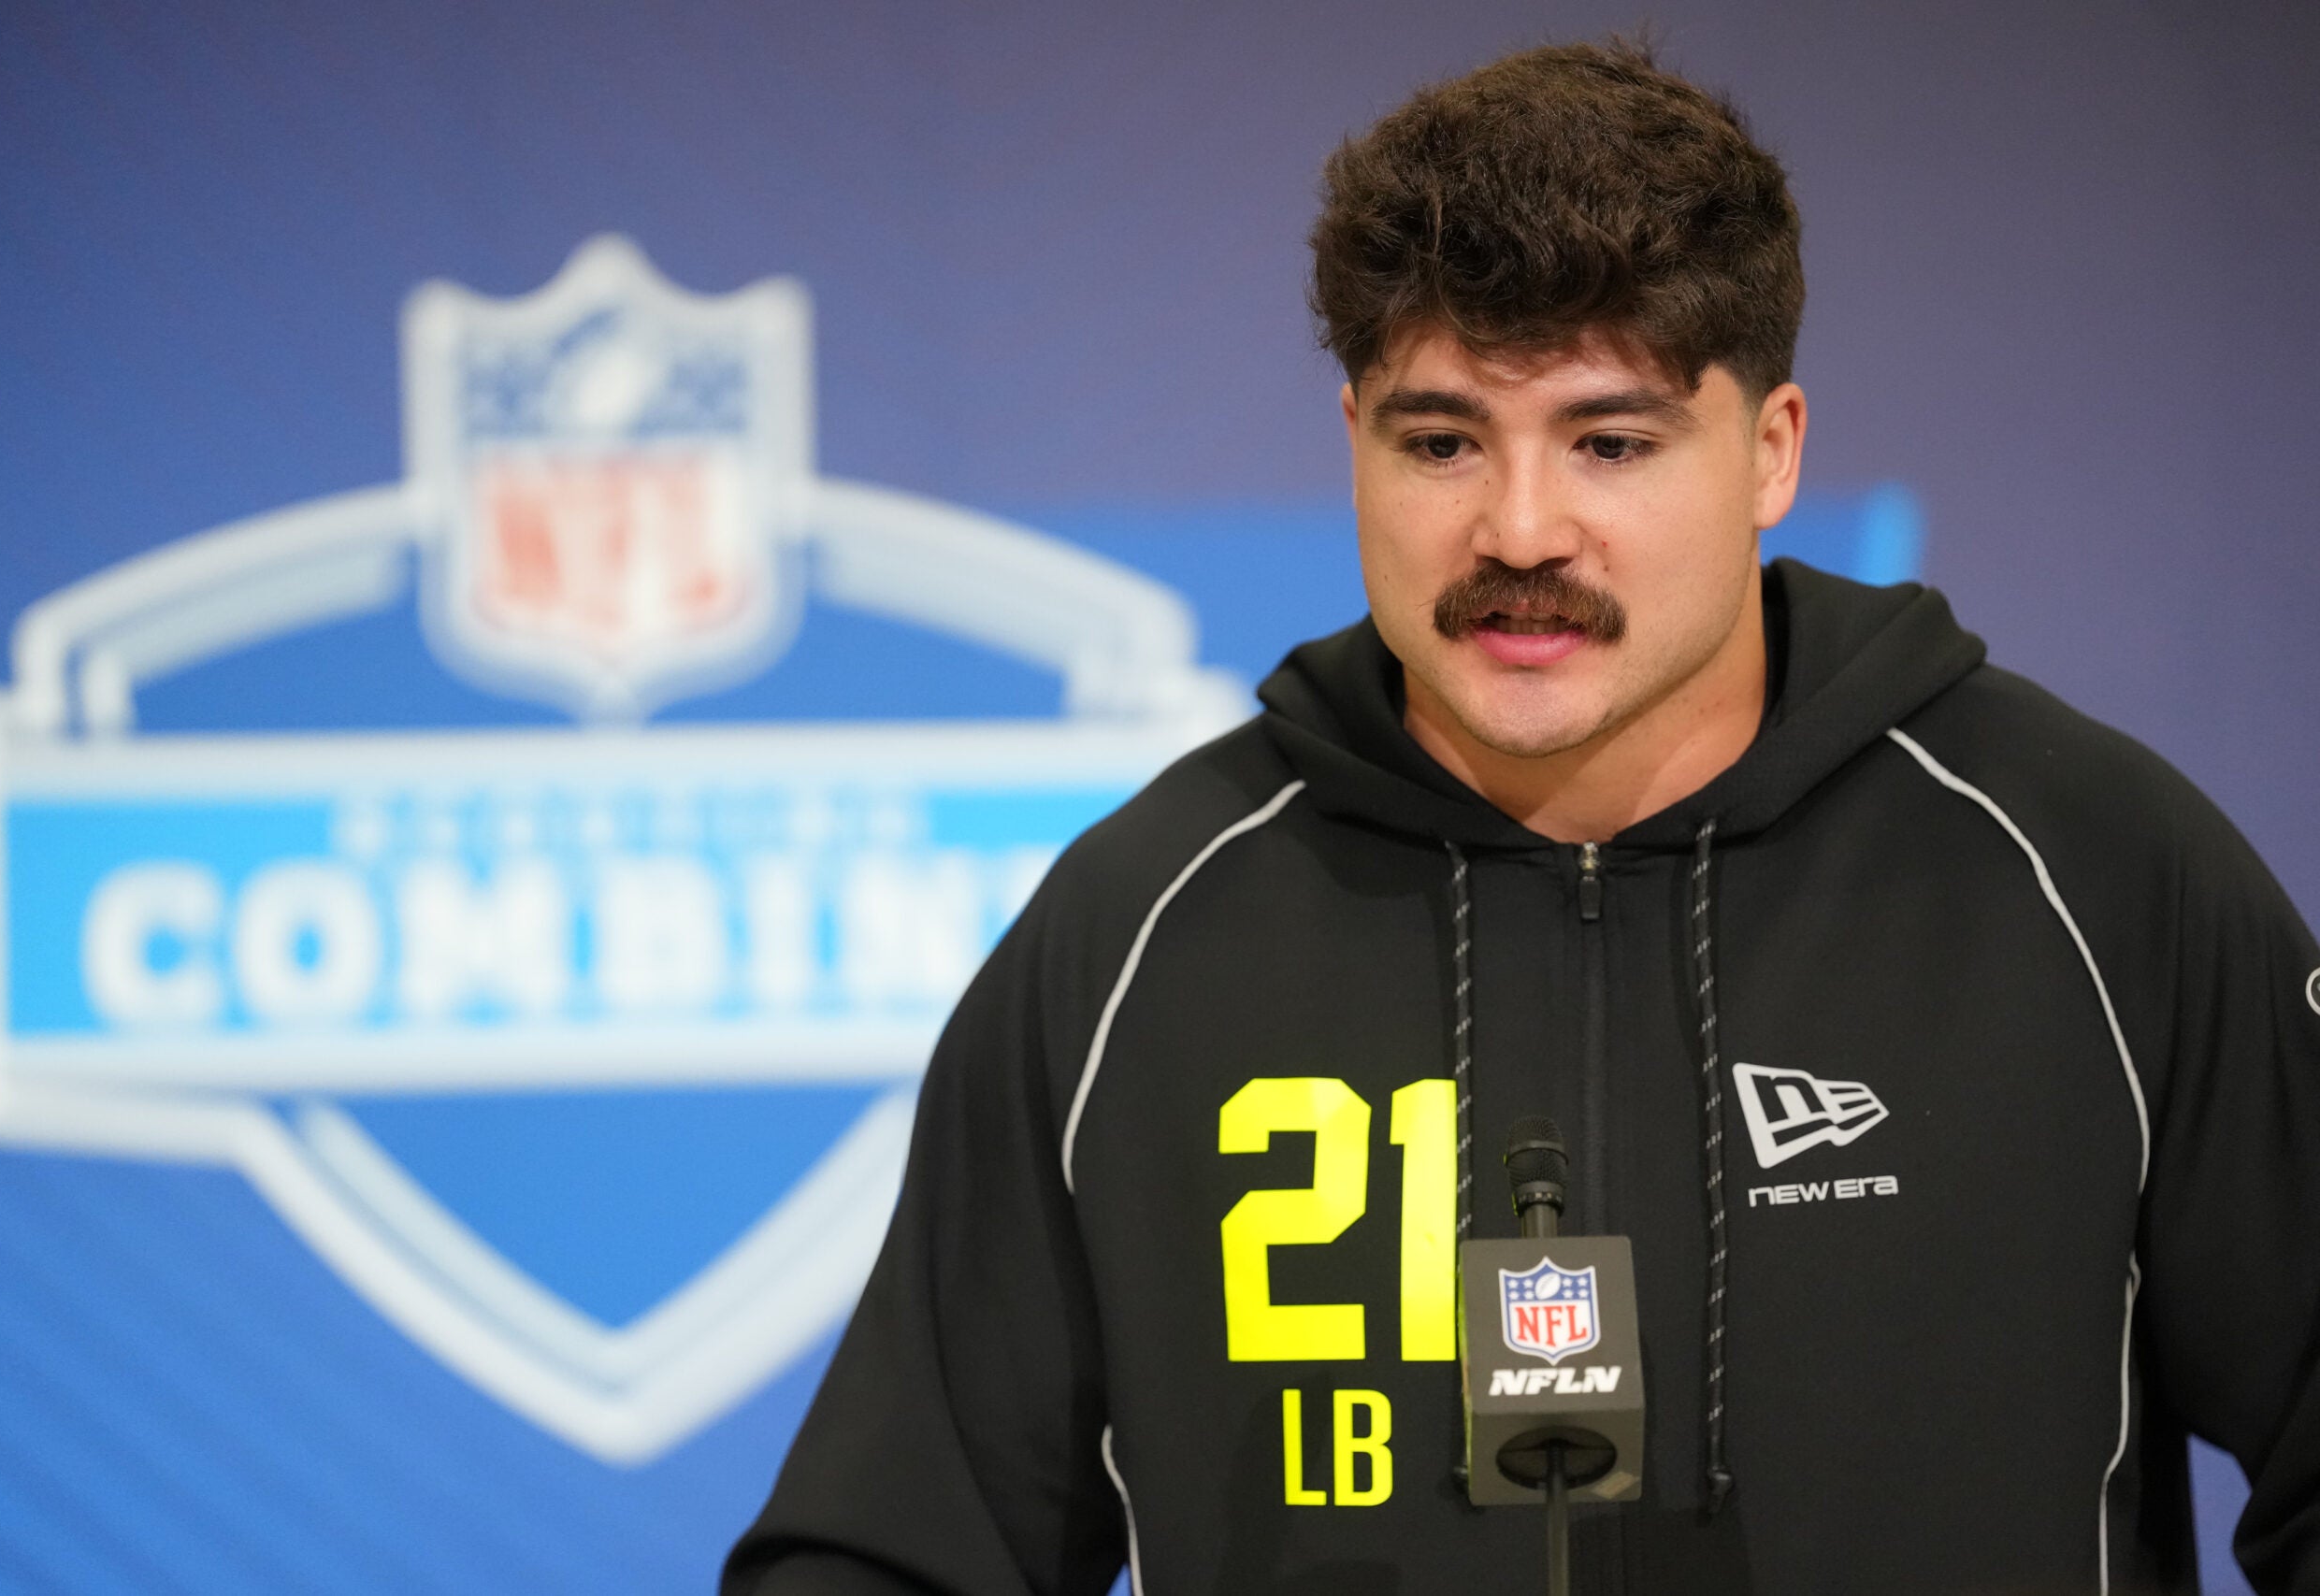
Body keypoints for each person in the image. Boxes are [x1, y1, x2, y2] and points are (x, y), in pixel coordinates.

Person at [724, 40, 2320, 1594]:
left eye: (1611, 442)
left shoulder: (2088, 872)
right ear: (1350, 439)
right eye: (1441, 443)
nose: (1521, 529)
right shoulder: (1136, 929)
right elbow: (891, 1550)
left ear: (1770, 455)